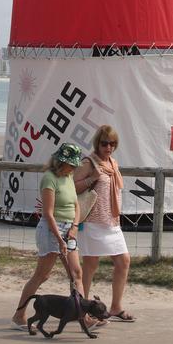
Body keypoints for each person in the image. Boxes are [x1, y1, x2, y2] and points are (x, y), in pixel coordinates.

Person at [12, 142, 101, 330]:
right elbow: (48, 213)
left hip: (70, 229)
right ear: (60, 162)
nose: (74, 168)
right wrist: (59, 239)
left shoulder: (69, 178)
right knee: (42, 275)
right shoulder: (49, 178)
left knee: (77, 273)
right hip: (51, 230)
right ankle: (19, 314)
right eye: (71, 164)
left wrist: (75, 227)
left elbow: (76, 205)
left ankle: (83, 317)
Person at [74, 124, 135, 322]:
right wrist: (92, 178)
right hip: (93, 221)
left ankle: (116, 306)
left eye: (112, 144)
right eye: (104, 143)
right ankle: (81, 308)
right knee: (91, 264)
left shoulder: (113, 164)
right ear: (97, 143)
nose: (108, 147)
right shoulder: (88, 163)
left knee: (123, 261)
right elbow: (72, 187)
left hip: (112, 222)